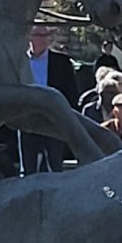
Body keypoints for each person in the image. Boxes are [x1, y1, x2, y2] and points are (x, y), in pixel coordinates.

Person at [18, 25, 79, 175]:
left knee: (54, 165)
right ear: (29, 37)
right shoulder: (19, 61)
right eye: (38, 35)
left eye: (45, 36)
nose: (43, 39)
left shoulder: (61, 62)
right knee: (28, 168)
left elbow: (71, 93)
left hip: (53, 120)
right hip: (27, 120)